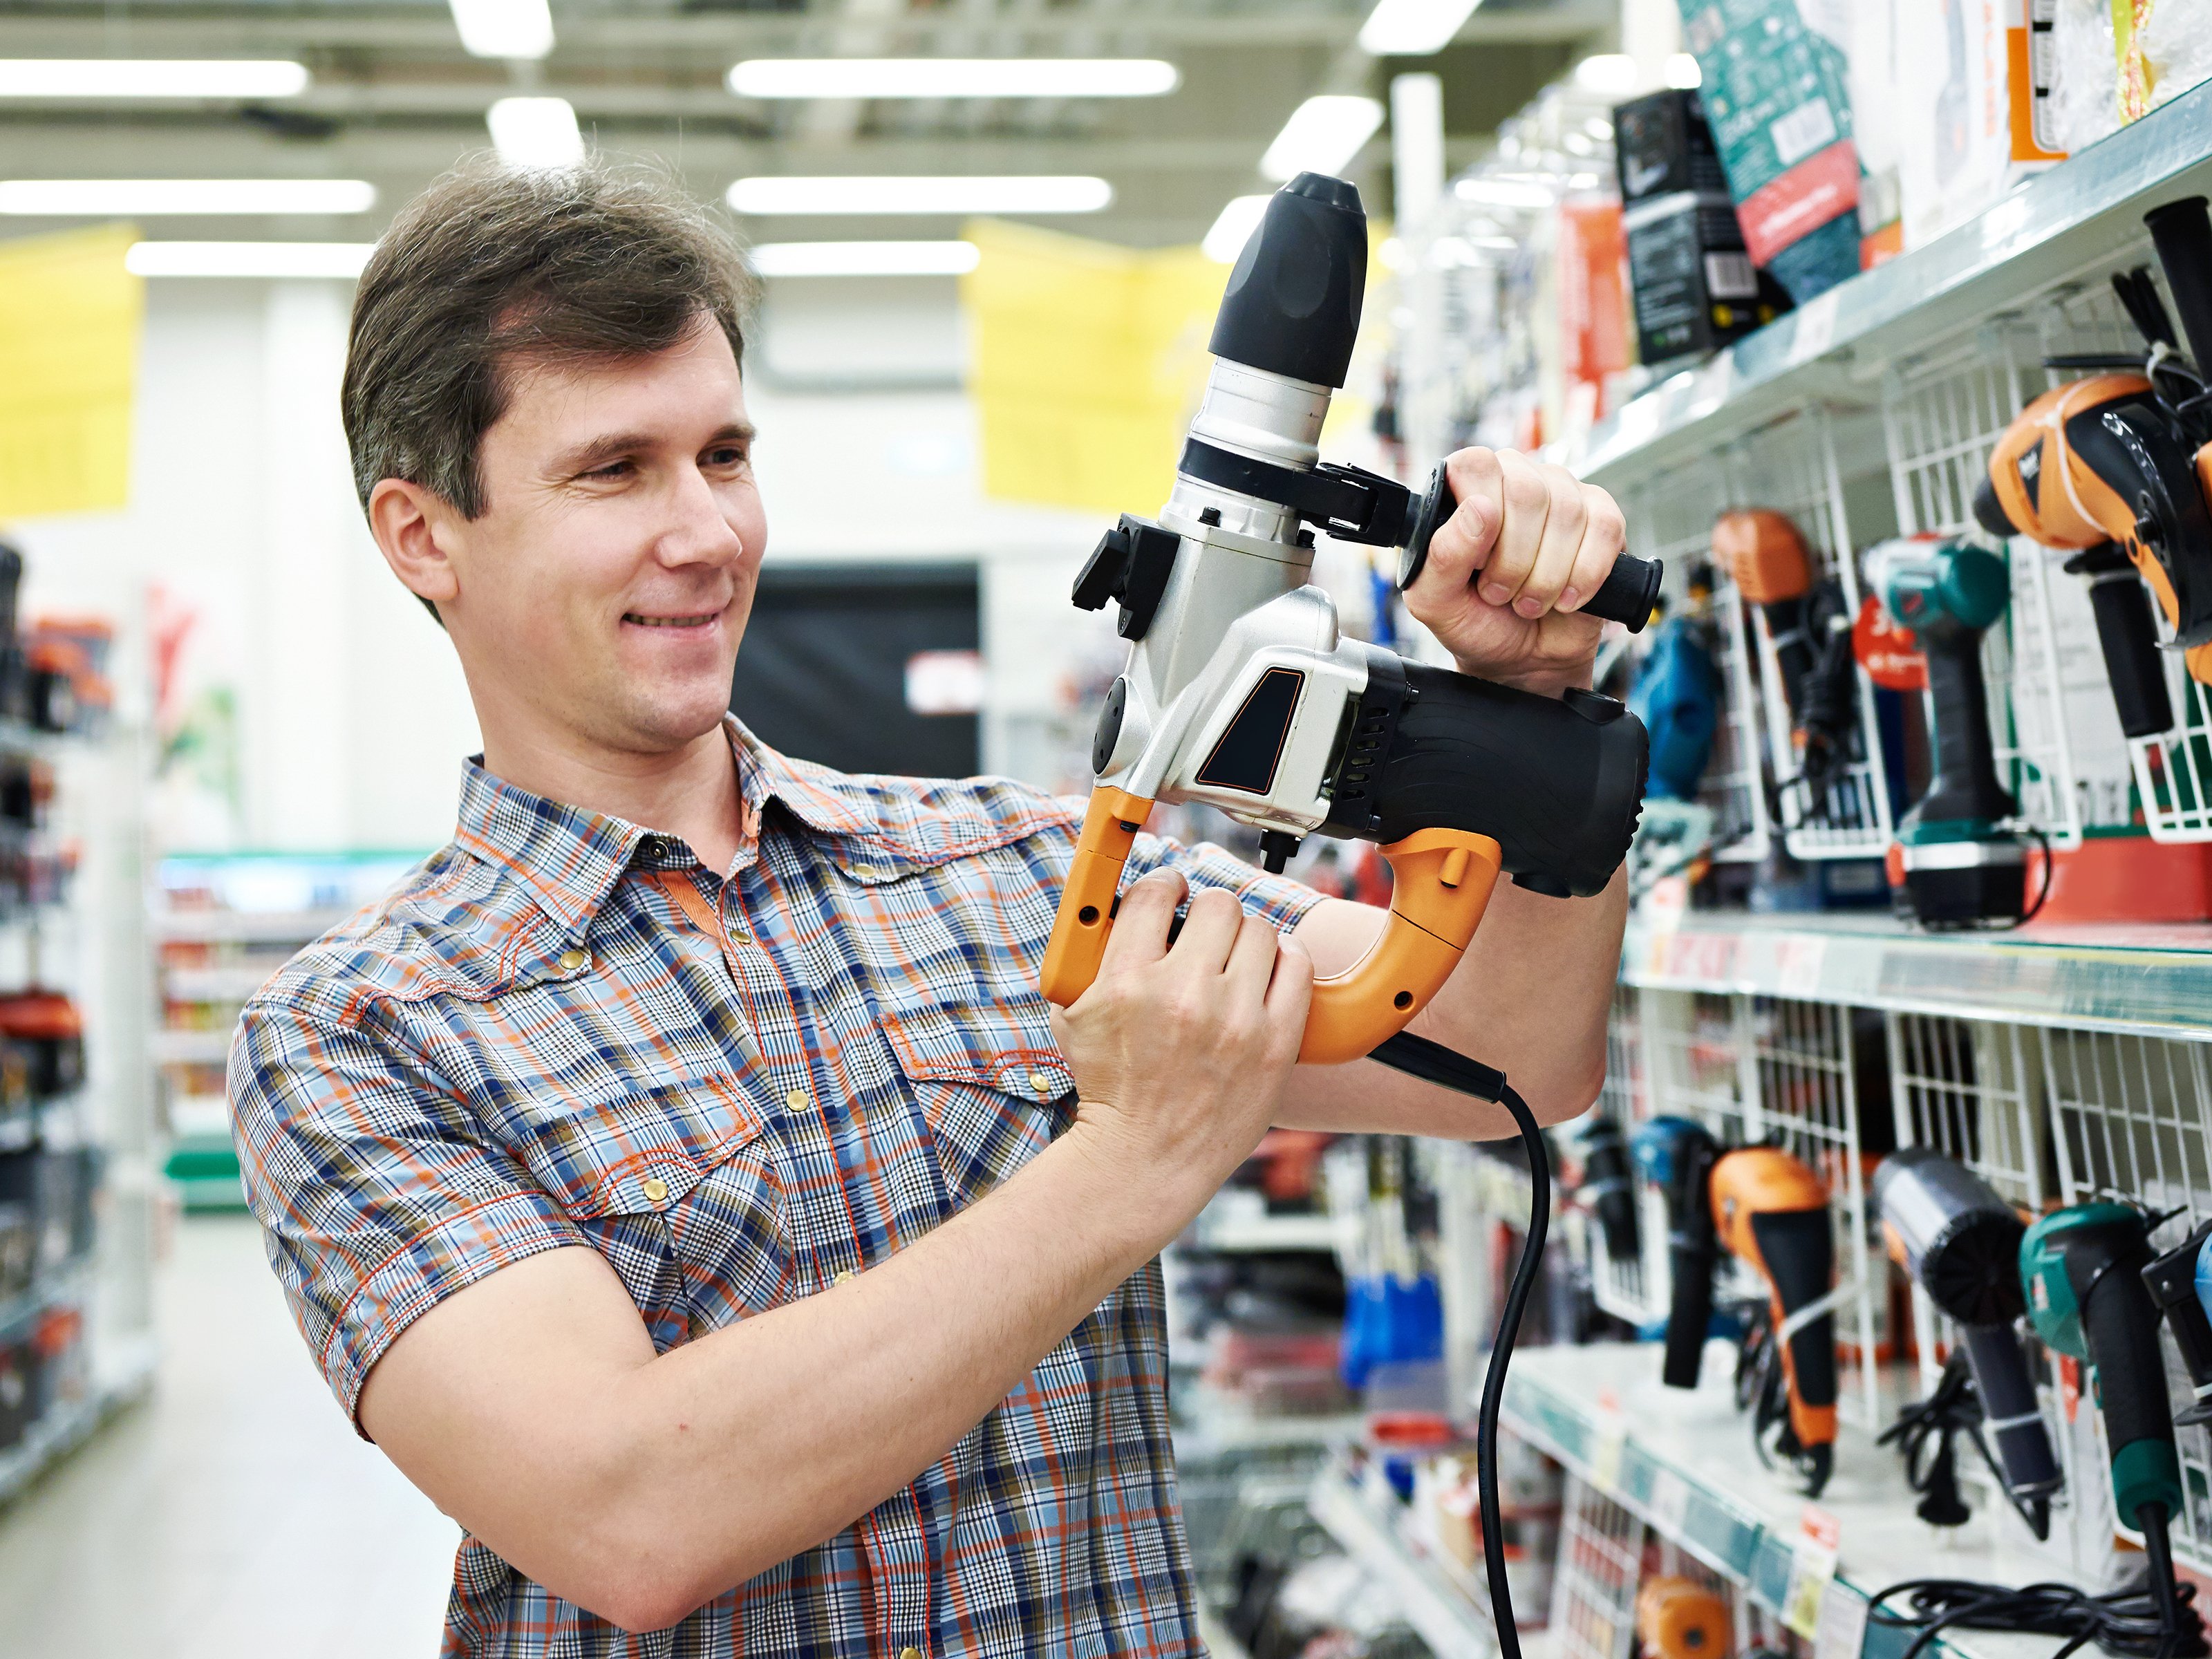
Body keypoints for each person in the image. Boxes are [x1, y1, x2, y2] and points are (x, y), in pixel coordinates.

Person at [229, 159, 1631, 1658]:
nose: (705, 534)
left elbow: (1505, 1059)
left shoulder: (1008, 868)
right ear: (420, 533)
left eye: (724, 454)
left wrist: (1529, 715)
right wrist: (1128, 1162)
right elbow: (626, 1516)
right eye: (613, 470)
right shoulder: (361, 1035)